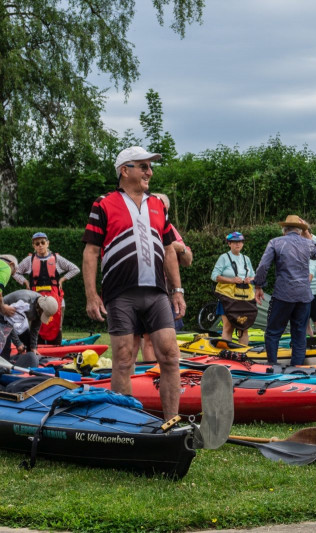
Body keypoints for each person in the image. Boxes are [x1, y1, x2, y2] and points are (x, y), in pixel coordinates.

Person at [82, 146, 186, 421]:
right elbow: (91, 252)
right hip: (121, 294)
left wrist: (177, 290)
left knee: (170, 356)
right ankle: (123, 424)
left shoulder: (157, 205)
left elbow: (168, 249)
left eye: (150, 167)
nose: (149, 172)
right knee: (124, 360)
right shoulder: (103, 203)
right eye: (143, 166)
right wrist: (92, 296)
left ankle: (171, 422)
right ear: (124, 170)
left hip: (157, 294)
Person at [253, 215, 316, 365]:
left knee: (273, 333)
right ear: (299, 230)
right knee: (299, 333)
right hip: (304, 295)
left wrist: (258, 286)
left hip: (283, 294)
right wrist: (307, 233)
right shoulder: (308, 243)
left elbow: (263, 267)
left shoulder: (276, 242)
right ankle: (297, 368)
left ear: (284, 230)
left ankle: (273, 366)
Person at [140, 192, 193, 362]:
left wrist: (180, 248)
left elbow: (188, 261)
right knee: (148, 338)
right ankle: (149, 374)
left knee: (170, 337)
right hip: (146, 287)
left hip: (168, 290)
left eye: (162, 207)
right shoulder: (140, 223)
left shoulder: (169, 228)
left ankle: (174, 375)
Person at [13, 232, 80, 344]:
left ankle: (55, 350)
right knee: (36, 326)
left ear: (47, 243)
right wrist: (25, 282)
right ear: (34, 246)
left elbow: (75, 269)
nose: (40, 245)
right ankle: (36, 350)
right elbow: (15, 272)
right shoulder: (29, 260)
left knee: (56, 327)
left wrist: (62, 279)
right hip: (36, 300)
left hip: (55, 299)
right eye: (37, 243)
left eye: (43, 242)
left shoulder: (57, 259)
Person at [211, 231, 257, 345]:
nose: (238, 244)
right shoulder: (224, 258)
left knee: (244, 327)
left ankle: (242, 355)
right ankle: (226, 356)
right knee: (228, 327)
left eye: (240, 242)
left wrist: (250, 279)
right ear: (229, 244)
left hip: (244, 298)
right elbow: (214, 276)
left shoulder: (246, 259)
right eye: (235, 242)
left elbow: (253, 276)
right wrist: (231, 280)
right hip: (228, 297)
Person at [0, 290, 58, 362]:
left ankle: (25, 362)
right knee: (5, 350)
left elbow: (35, 329)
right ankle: (0, 365)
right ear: (41, 308)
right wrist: (18, 344)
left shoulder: (39, 306)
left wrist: (33, 347)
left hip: (15, 320)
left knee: (29, 346)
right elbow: (9, 324)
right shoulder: (23, 302)